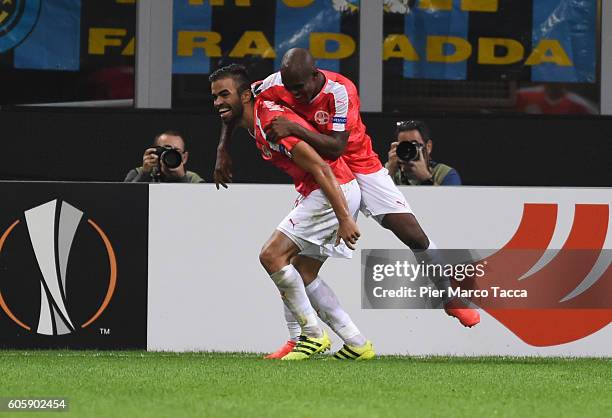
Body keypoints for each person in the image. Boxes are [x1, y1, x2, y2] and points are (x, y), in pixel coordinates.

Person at [214, 49, 479, 347]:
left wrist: (294, 127)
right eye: (289, 89)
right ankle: (305, 338)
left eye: (299, 88)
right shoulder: (274, 84)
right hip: (324, 174)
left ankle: (448, 295)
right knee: (294, 264)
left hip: (358, 165)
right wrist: (224, 148)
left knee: (412, 234)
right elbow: (235, 104)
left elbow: (336, 148)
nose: (294, 95)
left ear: (315, 75)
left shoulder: (342, 91)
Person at [210, 64, 375, 361]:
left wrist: (344, 218)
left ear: (246, 95)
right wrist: (223, 148)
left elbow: (321, 167)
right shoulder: (254, 116)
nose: (218, 102)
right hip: (329, 189)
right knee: (303, 271)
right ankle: (357, 342)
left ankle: (312, 336)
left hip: (331, 190)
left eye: (224, 95)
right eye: (215, 97)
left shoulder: (272, 122)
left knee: (271, 255)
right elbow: (231, 119)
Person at [386, 120, 461, 186]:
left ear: (428, 147)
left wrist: (426, 179)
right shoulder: (387, 171)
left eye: (414, 145)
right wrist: (388, 173)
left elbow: (449, 201)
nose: (409, 150)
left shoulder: (445, 174)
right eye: (404, 145)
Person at [124, 131, 204, 183]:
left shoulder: (192, 179)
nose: (171, 155)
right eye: (166, 150)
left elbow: (203, 202)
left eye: (176, 151)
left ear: (184, 157)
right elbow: (126, 198)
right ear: (154, 151)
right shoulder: (138, 173)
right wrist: (144, 175)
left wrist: (182, 178)